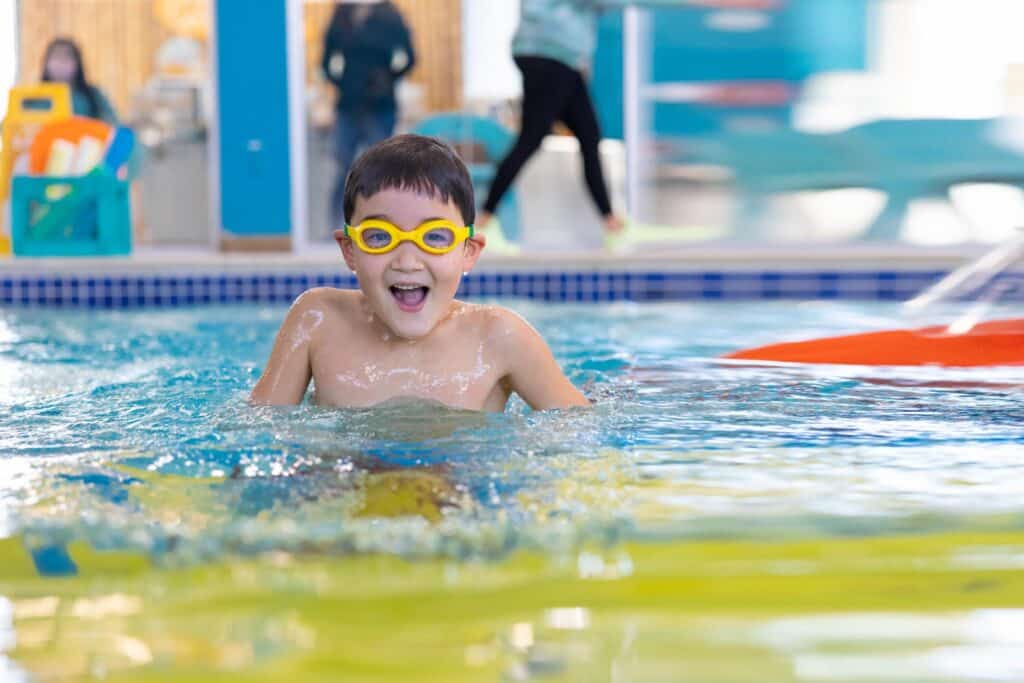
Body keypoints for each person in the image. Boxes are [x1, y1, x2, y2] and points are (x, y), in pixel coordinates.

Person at [251, 134, 589, 412]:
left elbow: (581, 434)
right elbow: (258, 432)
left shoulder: (499, 337)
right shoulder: (317, 320)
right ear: (350, 250)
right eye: (380, 236)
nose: (408, 261)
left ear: (468, 252)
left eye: (435, 237)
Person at [479, 0, 684, 238]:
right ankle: (485, 220)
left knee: (588, 135)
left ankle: (612, 225)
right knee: (532, 138)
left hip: (558, 55)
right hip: (550, 53)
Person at [322, 0, 416, 231]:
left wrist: (388, 79)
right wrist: (343, 84)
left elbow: (410, 57)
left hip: (381, 106)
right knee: (342, 169)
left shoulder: (389, 15)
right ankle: (337, 227)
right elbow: (326, 61)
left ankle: (382, 226)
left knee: (382, 172)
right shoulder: (342, 15)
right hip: (349, 105)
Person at [40, 37, 119, 124]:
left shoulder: (93, 95)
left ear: (77, 64)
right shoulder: (34, 98)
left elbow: (112, 123)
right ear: (46, 63)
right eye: (56, 58)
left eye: (66, 58)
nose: (60, 64)